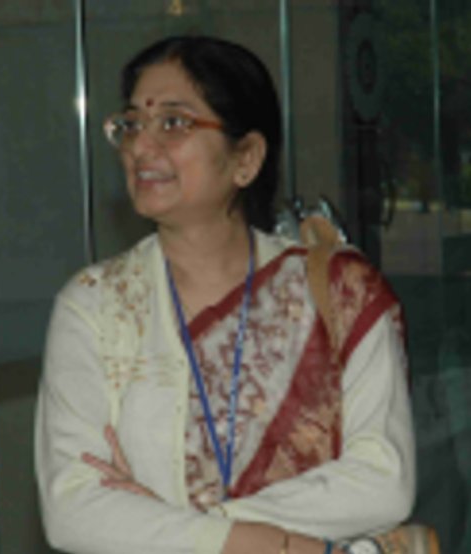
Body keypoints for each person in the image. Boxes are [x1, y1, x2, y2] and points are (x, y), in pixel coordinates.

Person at [35, 35, 416, 554]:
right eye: (131, 125)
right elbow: (73, 511)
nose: (141, 147)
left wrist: (179, 526)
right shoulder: (97, 306)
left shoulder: (338, 291)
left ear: (247, 158)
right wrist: (279, 545)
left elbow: (384, 480)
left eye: (173, 123)